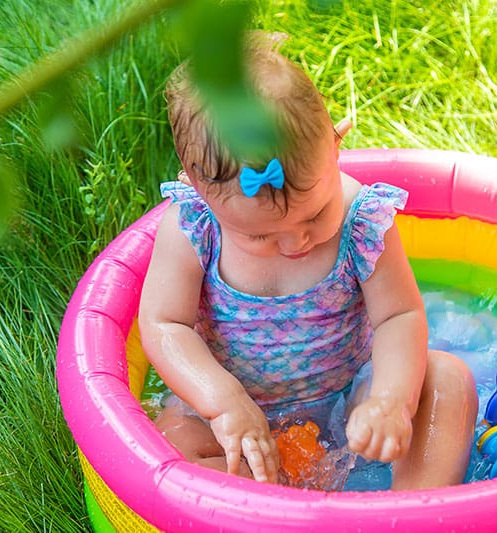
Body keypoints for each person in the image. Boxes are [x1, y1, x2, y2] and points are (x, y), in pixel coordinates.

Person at [138, 33, 478, 490]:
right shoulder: (192, 229)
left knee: (447, 380)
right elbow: (164, 326)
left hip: (351, 395)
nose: (298, 241)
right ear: (200, 194)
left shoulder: (364, 221)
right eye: (260, 234)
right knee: (170, 442)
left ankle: (410, 507)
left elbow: (399, 315)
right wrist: (222, 402)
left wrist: (389, 402)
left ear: (336, 145)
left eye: (316, 214)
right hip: (237, 411)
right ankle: (269, 492)